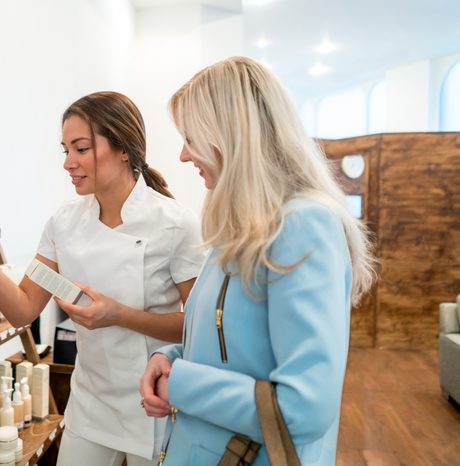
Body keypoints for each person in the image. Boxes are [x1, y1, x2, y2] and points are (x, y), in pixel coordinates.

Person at [0, 91, 204, 466]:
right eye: (65, 150)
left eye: (80, 149)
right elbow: (22, 310)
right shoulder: (64, 222)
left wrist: (119, 315)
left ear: (124, 148)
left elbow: (197, 328)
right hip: (90, 403)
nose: (68, 163)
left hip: (154, 403)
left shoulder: (175, 224)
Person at [139, 57, 375, 466]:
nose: (181, 155)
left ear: (231, 134)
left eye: (191, 137)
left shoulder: (304, 224)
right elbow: (236, 350)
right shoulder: (241, 229)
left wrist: (181, 384)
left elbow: (304, 408)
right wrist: (170, 358)